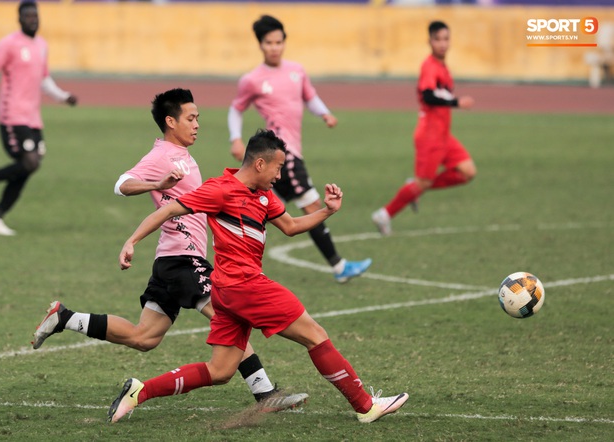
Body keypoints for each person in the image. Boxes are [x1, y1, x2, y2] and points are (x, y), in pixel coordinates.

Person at [31, 89, 306, 412]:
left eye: (198, 118)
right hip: (183, 260)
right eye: (190, 118)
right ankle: (265, 394)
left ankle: (66, 318)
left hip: (170, 262)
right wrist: (156, 186)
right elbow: (122, 184)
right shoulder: (162, 156)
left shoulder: (184, 155)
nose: (196, 125)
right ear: (170, 121)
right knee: (229, 318)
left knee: (143, 337)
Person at [108, 129, 409, 424]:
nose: (279, 176)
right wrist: (131, 241)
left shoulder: (264, 195)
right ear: (260, 163)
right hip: (246, 286)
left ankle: (140, 391)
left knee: (220, 371)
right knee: (315, 335)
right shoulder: (220, 189)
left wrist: (327, 212)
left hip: (225, 293)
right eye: (278, 168)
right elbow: (168, 210)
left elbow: (290, 226)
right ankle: (365, 405)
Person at [228, 15, 371, 283]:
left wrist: (325, 114)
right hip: (284, 154)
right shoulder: (253, 79)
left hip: (292, 151)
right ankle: (339, 266)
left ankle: (235, 248)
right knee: (312, 205)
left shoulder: (296, 70)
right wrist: (235, 138)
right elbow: (236, 109)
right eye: (269, 43)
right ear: (260, 45)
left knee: (263, 207)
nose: (275, 47)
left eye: (279, 42)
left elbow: (310, 97)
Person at [0, 1, 77, 236]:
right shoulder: (9, 44)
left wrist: (63, 97)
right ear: (19, 19)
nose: (33, 19)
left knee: (29, 166)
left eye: (36, 15)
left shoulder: (42, 45)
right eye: (28, 16)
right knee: (29, 162)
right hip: (12, 116)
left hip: (33, 118)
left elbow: (43, 79)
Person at [371, 20, 476, 236]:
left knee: (467, 172)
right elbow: (428, 95)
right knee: (423, 182)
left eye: (446, 39)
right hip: (430, 136)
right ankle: (384, 214)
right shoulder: (429, 66)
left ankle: (414, 187)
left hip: (444, 135)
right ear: (429, 41)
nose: (442, 44)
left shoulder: (442, 67)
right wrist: (457, 103)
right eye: (437, 39)